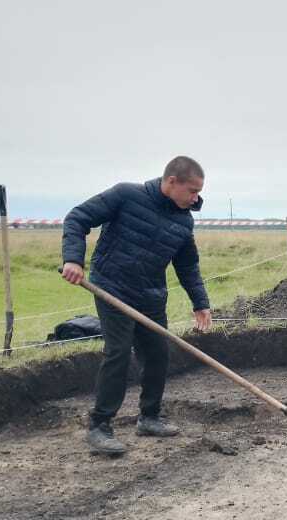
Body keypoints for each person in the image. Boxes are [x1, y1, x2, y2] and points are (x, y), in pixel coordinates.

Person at [61, 156, 212, 455]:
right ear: (172, 182)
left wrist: (200, 303)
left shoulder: (184, 220)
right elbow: (77, 218)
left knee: (157, 352)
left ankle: (150, 417)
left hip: (151, 294)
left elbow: (188, 266)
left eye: (198, 192)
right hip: (112, 287)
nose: (196, 198)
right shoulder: (126, 195)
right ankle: (99, 426)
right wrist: (73, 259)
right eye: (192, 191)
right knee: (118, 351)